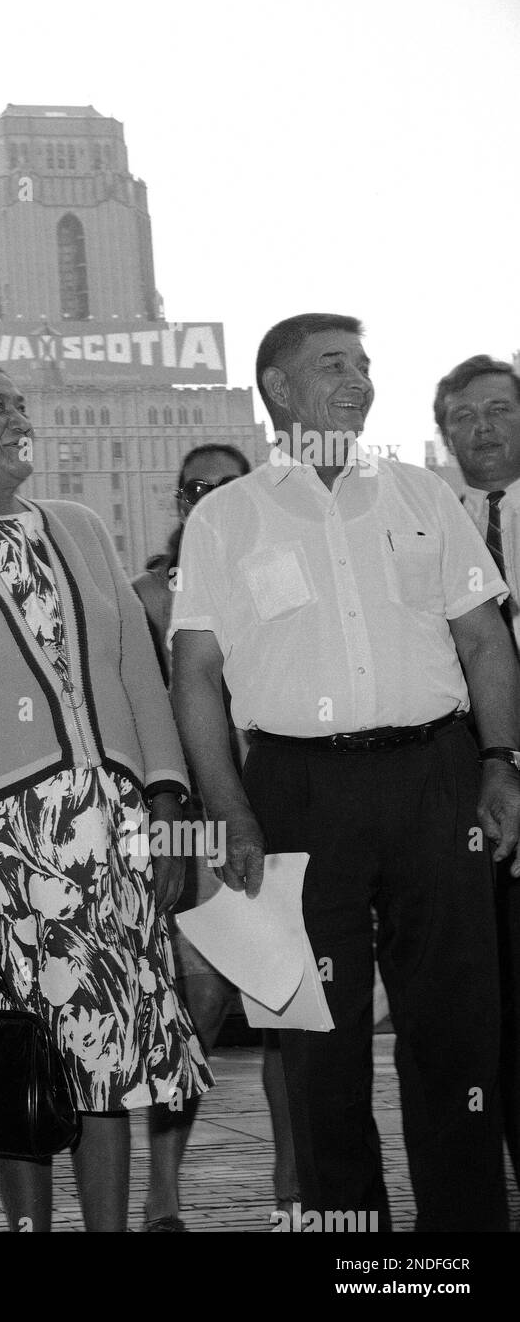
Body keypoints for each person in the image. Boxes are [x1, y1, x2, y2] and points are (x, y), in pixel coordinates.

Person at [171, 312, 520, 1232]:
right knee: (319, 1045)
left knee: (455, 1032)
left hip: (438, 777)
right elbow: (196, 675)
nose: (359, 380)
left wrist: (501, 762)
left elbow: (484, 637)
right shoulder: (226, 518)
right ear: (279, 390)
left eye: (364, 364)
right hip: (298, 792)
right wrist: (230, 813)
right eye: (334, 365)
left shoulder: (421, 495)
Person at [0, 358, 212, 1233]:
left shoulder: (82, 527)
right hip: (0, 840)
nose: (19, 418)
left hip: (114, 826)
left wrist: (165, 807)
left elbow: (141, 669)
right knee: (16, 1054)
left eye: (22, 405)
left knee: (110, 1053)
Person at [132, 443, 299, 1231]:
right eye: (191, 485)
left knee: (285, 1014)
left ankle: (293, 1189)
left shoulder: (289, 568)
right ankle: (161, 1194)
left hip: (287, 810)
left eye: (223, 485)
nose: (206, 497)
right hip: (191, 825)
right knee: (193, 1009)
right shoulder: (149, 594)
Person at [434, 353, 520, 1190]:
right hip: (469, 801)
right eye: (463, 415)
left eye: (498, 410)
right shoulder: (425, 523)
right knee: (487, 1016)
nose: (482, 428)